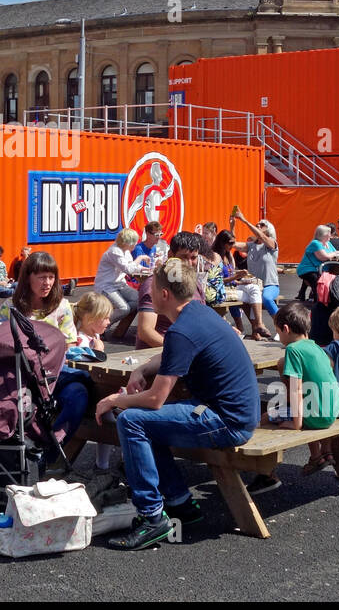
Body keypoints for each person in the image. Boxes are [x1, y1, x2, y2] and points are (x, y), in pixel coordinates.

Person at [97, 258, 260, 550]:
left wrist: (114, 399)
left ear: (163, 295)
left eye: (151, 289)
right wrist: (142, 368)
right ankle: (179, 503)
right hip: (237, 414)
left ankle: (151, 517)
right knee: (146, 422)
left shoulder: (181, 330)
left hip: (226, 421)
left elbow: (156, 399)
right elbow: (174, 354)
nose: (147, 294)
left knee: (130, 420)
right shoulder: (198, 314)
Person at [0, 251, 90, 447]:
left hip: (53, 376)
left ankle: (50, 451)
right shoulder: (10, 307)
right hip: (21, 378)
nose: (48, 283)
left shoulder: (62, 307)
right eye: (42, 277)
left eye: (51, 277)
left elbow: (70, 344)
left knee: (79, 393)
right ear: (27, 278)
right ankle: (29, 453)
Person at [250, 302, 339, 492]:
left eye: (278, 332)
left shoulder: (293, 350)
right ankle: (318, 455)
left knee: (263, 419)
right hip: (331, 412)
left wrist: (296, 424)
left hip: (314, 415)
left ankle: (265, 473)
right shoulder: (316, 347)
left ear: (285, 328)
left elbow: (296, 390)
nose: (279, 337)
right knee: (282, 408)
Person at [71, 291, 117, 471]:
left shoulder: (94, 337)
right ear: (91, 318)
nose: (108, 322)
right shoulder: (82, 340)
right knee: (112, 425)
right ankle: (103, 465)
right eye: (105, 318)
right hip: (90, 394)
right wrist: (99, 352)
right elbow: (86, 368)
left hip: (97, 391)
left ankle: (105, 463)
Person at [135, 231, 204, 349]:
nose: (188, 263)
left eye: (193, 258)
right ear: (171, 255)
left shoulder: (195, 283)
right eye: (183, 257)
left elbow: (202, 320)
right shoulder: (154, 284)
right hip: (158, 355)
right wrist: (177, 349)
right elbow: (145, 332)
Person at [233, 214, 280, 336]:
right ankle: (256, 328)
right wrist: (232, 225)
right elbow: (231, 244)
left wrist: (244, 220)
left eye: (262, 224)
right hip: (252, 284)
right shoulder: (251, 246)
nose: (258, 225)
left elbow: (261, 236)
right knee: (236, 298)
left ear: (269, 229)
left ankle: (282, 326)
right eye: (257, 224)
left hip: (270, 284)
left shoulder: (272, 244)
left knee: (267, 298)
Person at [93, 229, 146, 338]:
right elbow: (128, 269)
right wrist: (140, 258)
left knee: (138, 299)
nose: (136, 244)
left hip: (119, 284)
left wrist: (147, 269)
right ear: (127, 242)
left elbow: (132, 265)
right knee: (123, 308)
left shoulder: (125, 251)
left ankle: (113, 322)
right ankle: (100, 327)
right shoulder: (114, 251)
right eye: (134, 242)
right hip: (106, 286)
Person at [213, 230, 263, 339]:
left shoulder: (228, 254)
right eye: (231, 243)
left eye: (234, 243)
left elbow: (233, 278)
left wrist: (241, 280)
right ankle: (256, 328)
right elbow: (217, 280)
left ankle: (258, 326)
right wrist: (236, 277)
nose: (233, 246)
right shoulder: (215, 257)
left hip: (232, 287)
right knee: (251, 296)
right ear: (222, 242)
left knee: (254, 288)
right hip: (221, 290)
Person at [296, 224, 339, 301]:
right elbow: (324, 257)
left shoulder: (328, 243)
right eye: (329, 233)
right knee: (317, 283)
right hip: (309, 269)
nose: (331, 235)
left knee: (329, 280)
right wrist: (334, 254)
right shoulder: (315, 243)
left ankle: (314, 299)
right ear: (324, 234)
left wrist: (334, 254)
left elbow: (338, 253)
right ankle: (318, 303)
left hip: (320, 270)